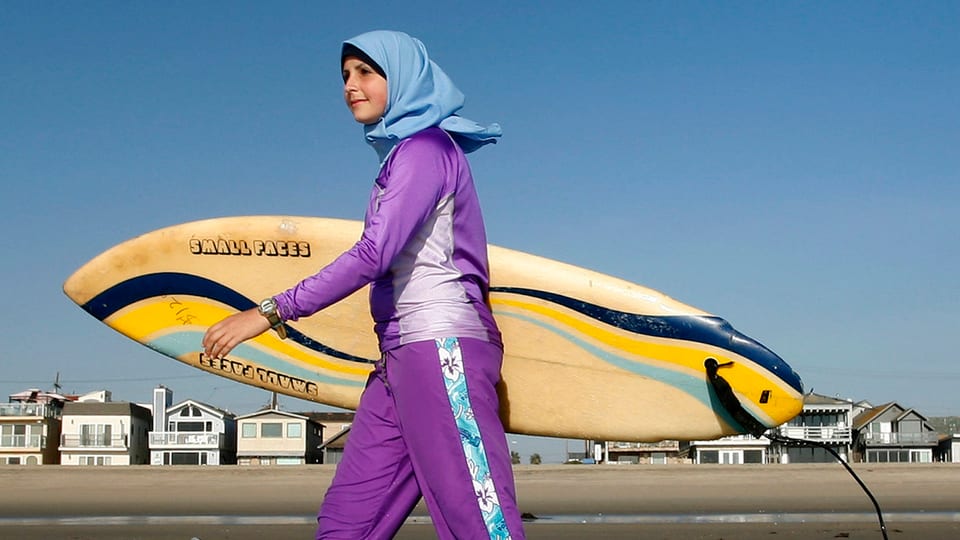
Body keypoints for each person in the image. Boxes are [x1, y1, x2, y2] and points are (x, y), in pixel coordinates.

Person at [201, 30, 526, 540]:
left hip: (441, 347)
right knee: (348, 520)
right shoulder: (403, 157)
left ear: (402, 80)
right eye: (345, 75)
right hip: (399, 358)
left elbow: (373, 255)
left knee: (478, 521)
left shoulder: (425, 150)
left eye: (366, 72)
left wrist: (268, 311)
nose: (351, 85)